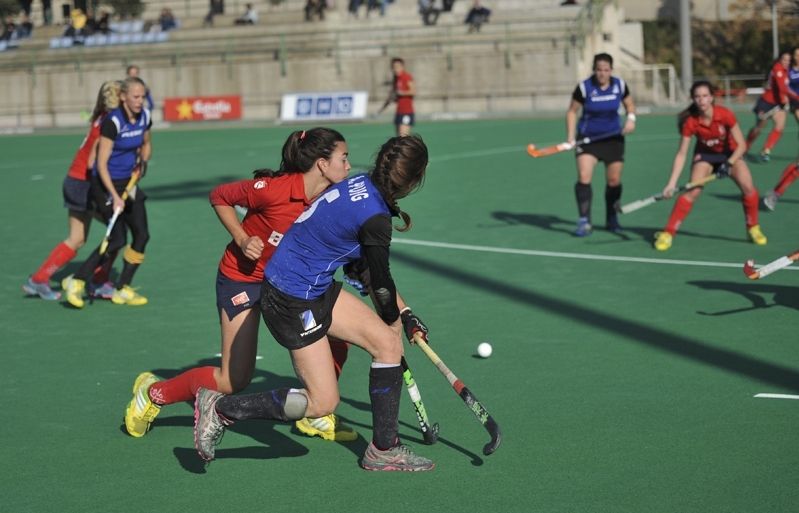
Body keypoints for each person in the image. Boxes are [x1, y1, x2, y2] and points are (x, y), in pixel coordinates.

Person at [193, 135, 435, 472]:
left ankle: (383, 449)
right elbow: (379, 280)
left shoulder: (360, 183)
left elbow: (363, 268)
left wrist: (403, 315)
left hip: (310, 286)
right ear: (413, 180)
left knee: (386, 344)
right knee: (323, 401)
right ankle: (221, 409)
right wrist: (394, 318)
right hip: (292, 300)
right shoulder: (375, 217)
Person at [123, 128, 358, 443]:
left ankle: (315, 413)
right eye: (344, 158)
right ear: (321, 164)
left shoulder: (331, 198)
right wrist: (243, 237)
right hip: (244, 280)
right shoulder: (273, 190)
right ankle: (152, 393)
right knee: (232, 380)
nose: (349, 166)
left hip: (290, 284)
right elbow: (220, 196)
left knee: (340, 336)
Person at [23, 81, 121, 301]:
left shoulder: (101, 116)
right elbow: (91, 163)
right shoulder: (109, 121)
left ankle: (38, 279)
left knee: (77, 238)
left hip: (74, 181)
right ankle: (97, 280)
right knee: (118, 233)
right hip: (83, 184)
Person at [62, 76, 153, 308]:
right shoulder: (113, 122)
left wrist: (143, 160)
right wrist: (113, 196)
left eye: (142, 96)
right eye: (135, 97)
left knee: (142, 235)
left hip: (128, 183)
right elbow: (100, 165)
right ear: (123, 97)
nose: (140, 101)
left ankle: (122, 288)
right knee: (117, 238)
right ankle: (77, 280)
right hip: (104, 185)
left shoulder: (145, 116)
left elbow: (146, 143)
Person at [653, 80, 766, 251]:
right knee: (693, 191)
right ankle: (668, 233)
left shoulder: (725, 114)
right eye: (697, 97)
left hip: (730, 154)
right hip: (705, 156)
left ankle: (753, 227)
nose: (702, 100)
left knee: (748, 187)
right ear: (693, 99)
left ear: (712, 97)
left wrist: (728, 164)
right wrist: (671, 183)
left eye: (705, 96)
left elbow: (742, 145)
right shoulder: (690, 122)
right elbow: (682, 153)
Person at [565, 52, 636, 236]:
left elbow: (630, 105)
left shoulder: (619, 85)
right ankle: (584, 221)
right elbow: (572, 112)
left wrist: (631, 119)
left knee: (613, 181)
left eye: (606, 70)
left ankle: (612, 218)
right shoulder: (584, 88)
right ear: (594, 70)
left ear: (611, 70)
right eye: (599, 70)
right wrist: (571, 137)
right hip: (588, 139)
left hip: (613, 138)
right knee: (584, 176)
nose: (602, 74)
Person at [743, 51, 799, 162]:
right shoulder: (777, 69)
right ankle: (745, 147)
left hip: (778, 104)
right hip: (766, 103)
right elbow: (783, 88)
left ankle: (766, 150)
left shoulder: (788, 70)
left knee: (779, 127)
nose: (786, 62)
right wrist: (796, 97)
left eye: (789, 60)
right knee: (758, 128)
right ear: (779, 60)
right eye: (784, 59)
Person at [391, 57, 416, 137]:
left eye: (397, 67)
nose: (395, 69)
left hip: (407, 111)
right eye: (394, 67)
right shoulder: (396, 79)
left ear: (402, 67)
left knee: (403, 137)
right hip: (399, 111)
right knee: (398, 136)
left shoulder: (406, 77)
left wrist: (401, 93)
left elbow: (413, 91)